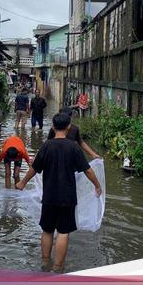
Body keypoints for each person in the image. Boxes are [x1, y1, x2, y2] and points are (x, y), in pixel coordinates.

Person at [16, 113, 102, 273]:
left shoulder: (47, 146)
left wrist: (22, 182)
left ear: (53, 127)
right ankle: (58, 268)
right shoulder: (74, 147)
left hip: (49, 196)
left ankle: (45, 263)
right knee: (63, 231)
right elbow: (88, 171)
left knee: (47, 230)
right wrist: (97, 185)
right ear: (69, 127)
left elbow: (34, 168)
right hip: (67, 197)